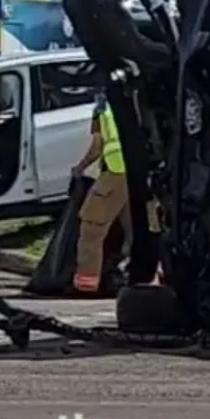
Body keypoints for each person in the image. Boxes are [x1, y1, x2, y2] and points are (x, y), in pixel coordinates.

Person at [70, 97, 130, 295]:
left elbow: (97, 145)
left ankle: (86, 282)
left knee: (91, 229)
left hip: (115, 172)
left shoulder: (103, 107)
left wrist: (80, 168)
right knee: (139, 229)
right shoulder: (138, 99)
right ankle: (146, 277)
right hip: (139, 175)